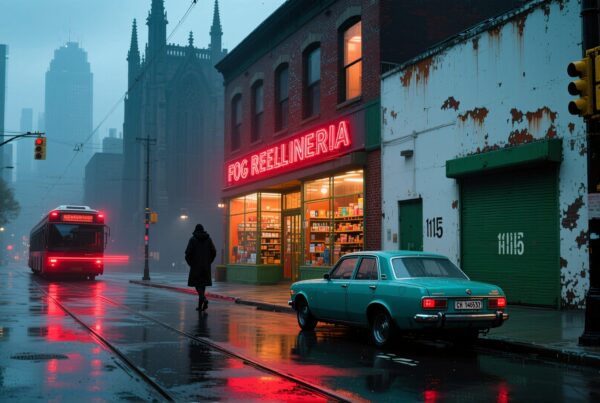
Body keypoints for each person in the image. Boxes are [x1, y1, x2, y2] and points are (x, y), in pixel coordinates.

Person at [185, 224, 217, 311]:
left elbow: (187, 254)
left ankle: (204, 299)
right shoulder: (208, 239)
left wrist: (191, 263)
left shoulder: (192, 240)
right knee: (202, 285)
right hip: (206, 266)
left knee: (197, 285)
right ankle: (200, 306)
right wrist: (209, 261)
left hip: (195, 266)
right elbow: (214, 252)